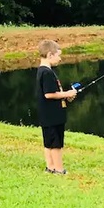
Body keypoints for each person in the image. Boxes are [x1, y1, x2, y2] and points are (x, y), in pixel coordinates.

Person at [36, 40, 76, 174]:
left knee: (49, 143)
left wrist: (65, 96)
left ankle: (50, 167)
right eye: (58, 55)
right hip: (53, 116)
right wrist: (67, 93)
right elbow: (49, 94)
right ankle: (59, 170)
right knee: (56, 144)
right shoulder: (47, 72)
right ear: (50, 55)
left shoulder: (42, 71)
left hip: (47, 115)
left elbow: (51, 92)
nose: (60, 58)